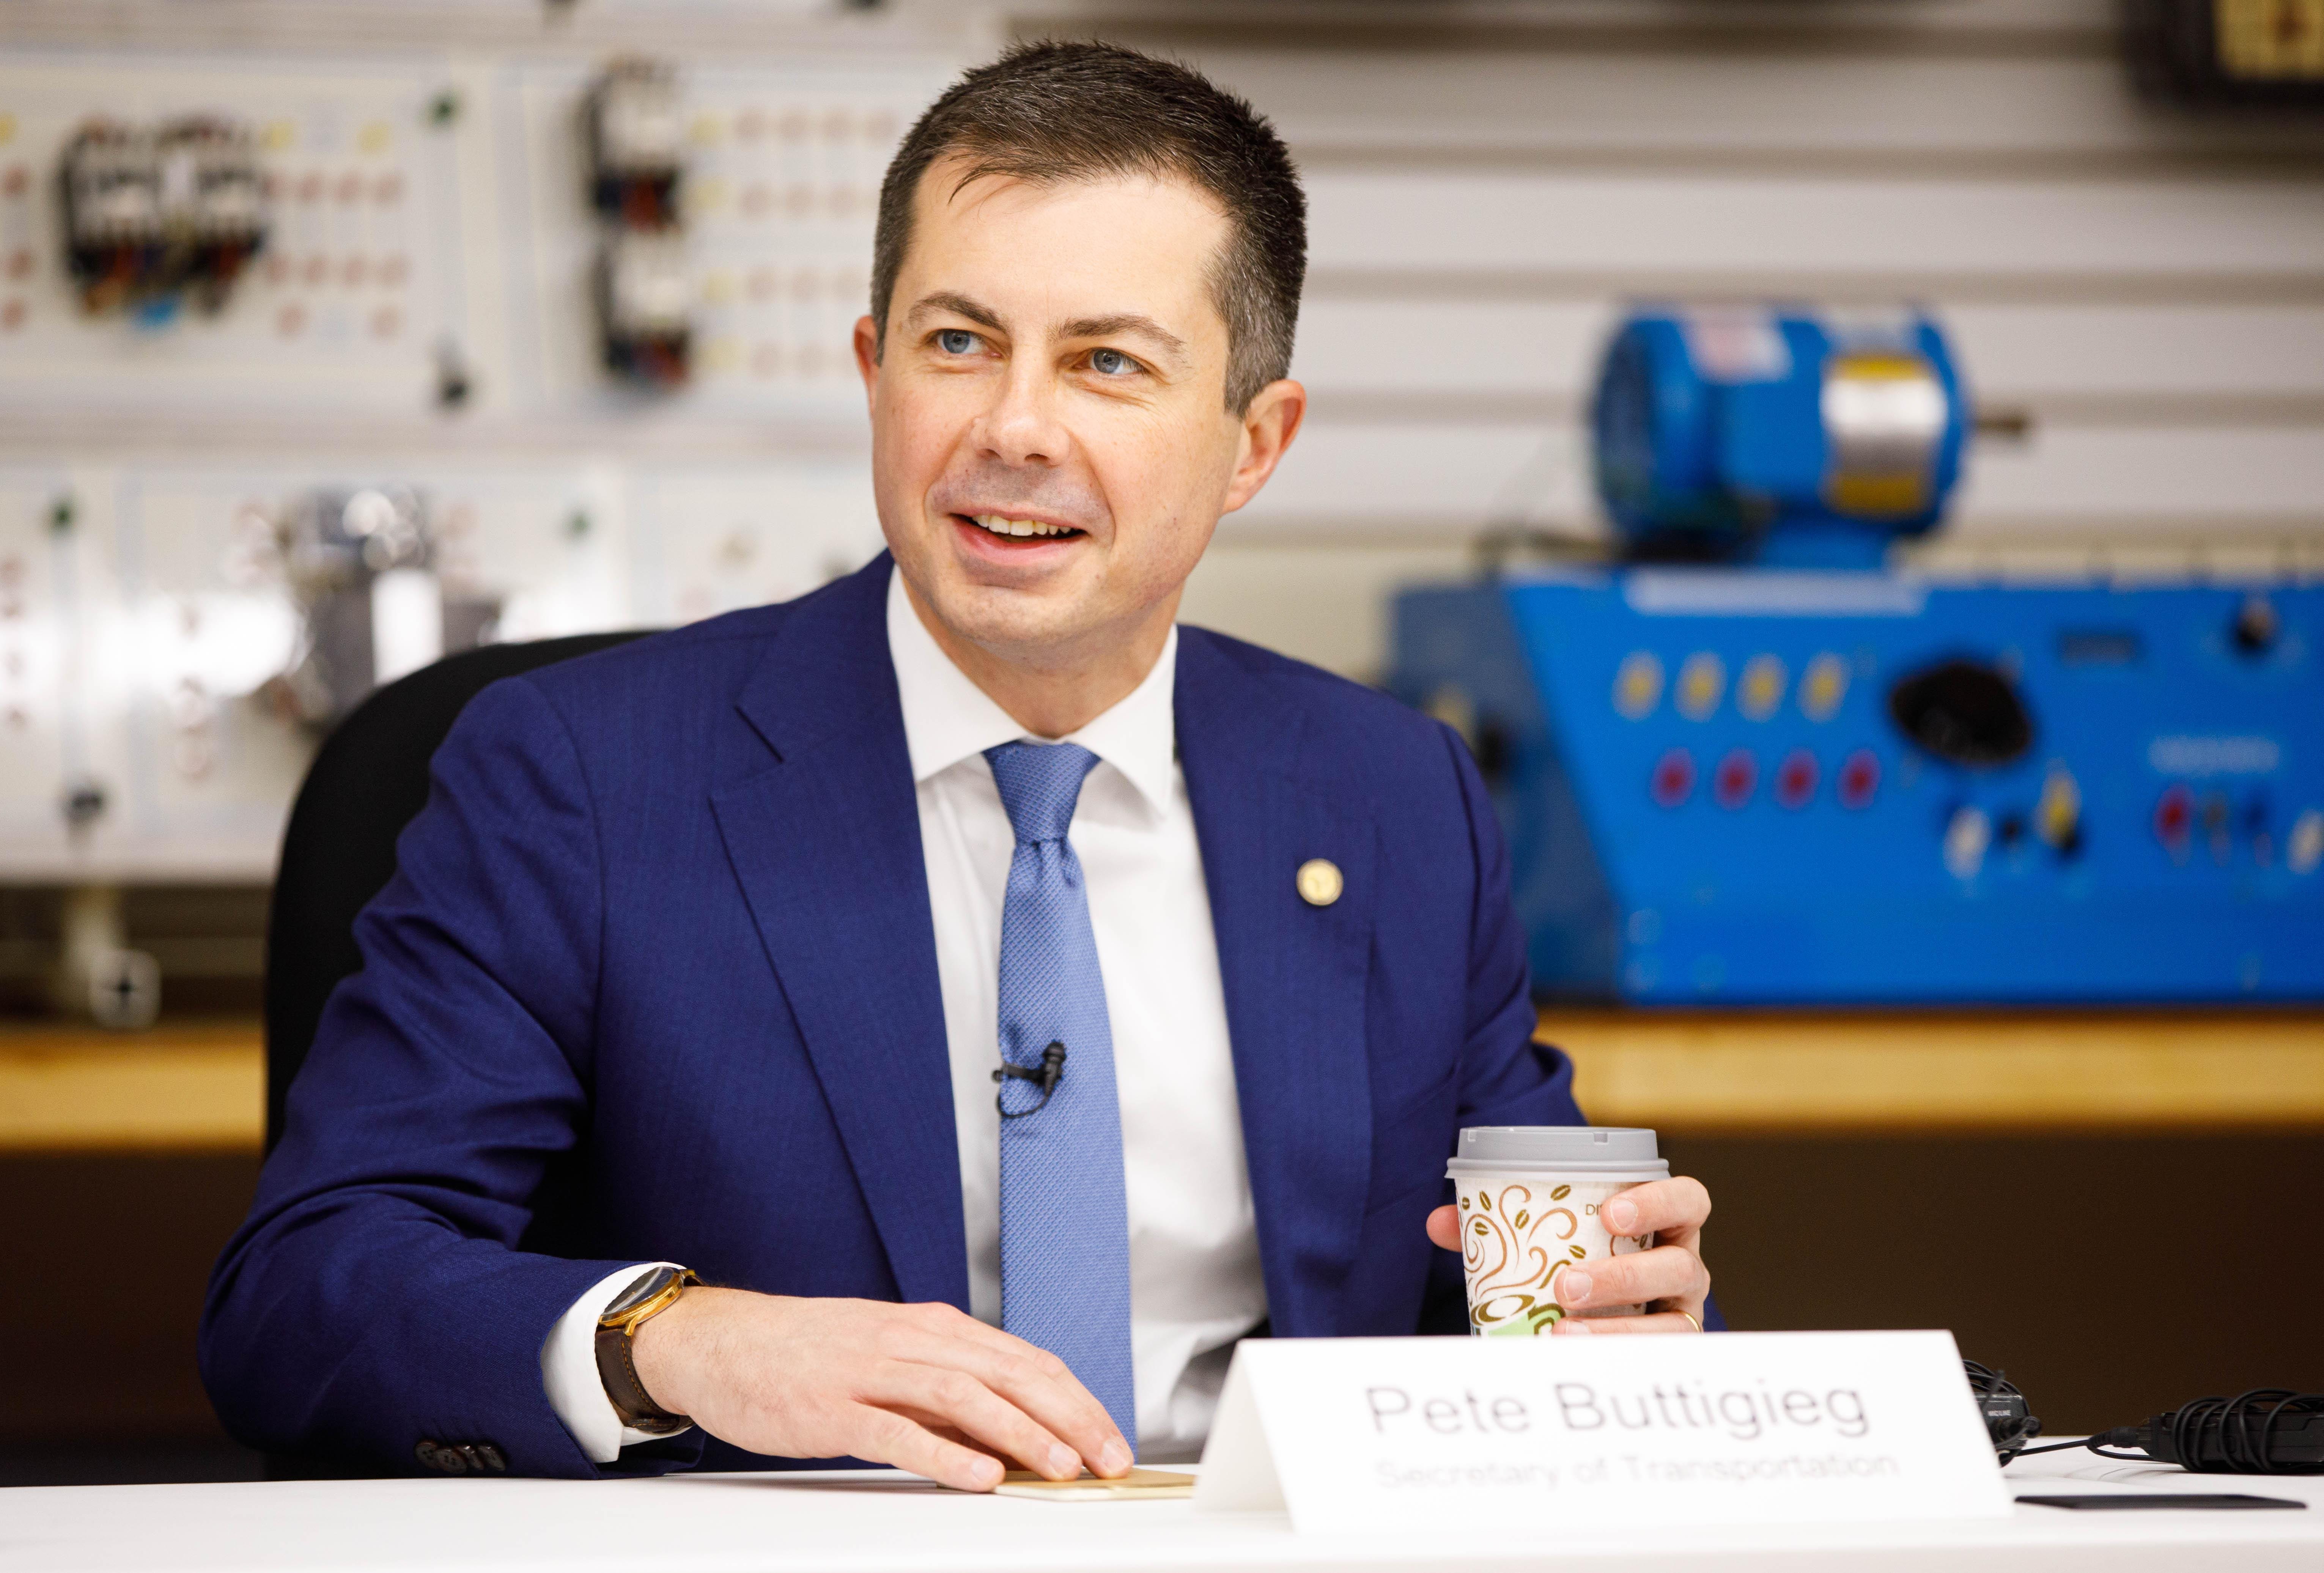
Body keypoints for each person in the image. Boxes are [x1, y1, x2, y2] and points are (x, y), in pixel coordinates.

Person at [200, 41, 1717, 1490]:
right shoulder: (581, 776)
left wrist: (1622, 1319)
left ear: (1254, 441)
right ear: (873, 369)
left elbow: (1520, 1298)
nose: (1012, 427)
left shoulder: (1395, 799)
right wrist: (672, 1336)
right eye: (956, 342)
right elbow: (303, 1294)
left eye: (1107, 363)